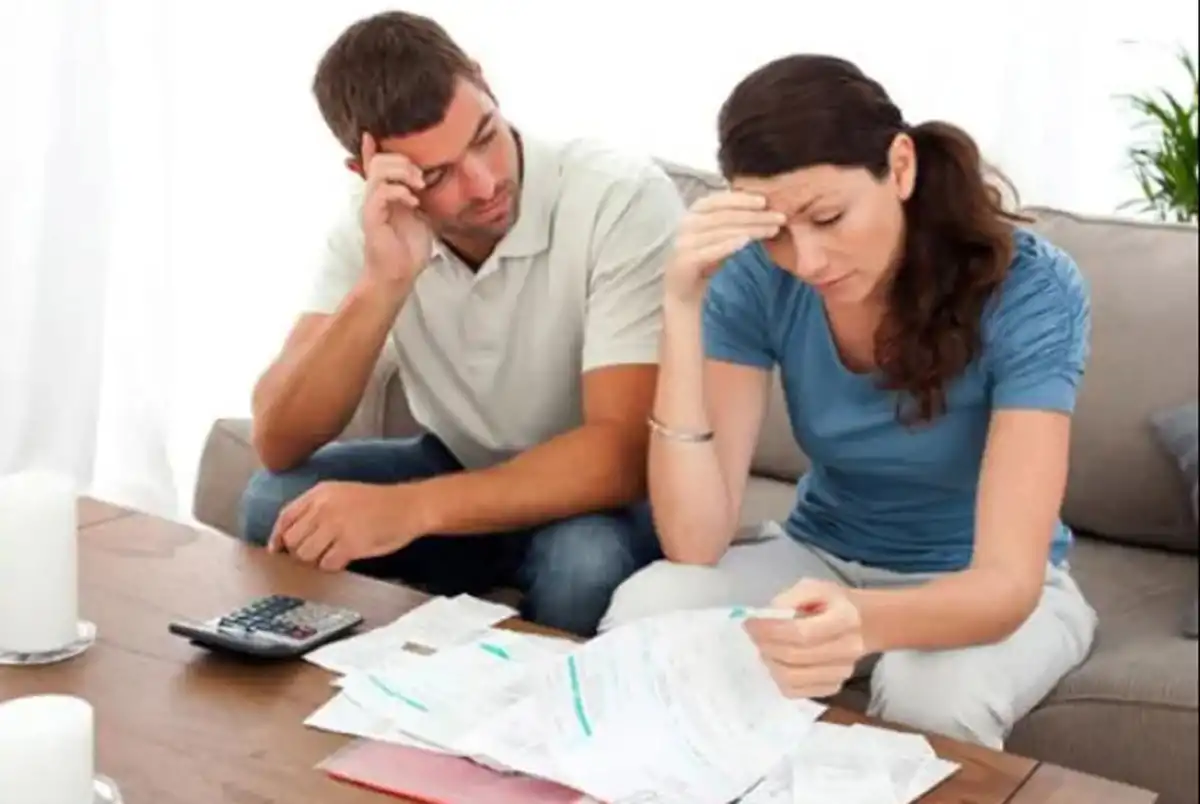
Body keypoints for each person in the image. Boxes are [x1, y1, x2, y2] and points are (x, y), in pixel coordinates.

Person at [601, 54, 1099, 749]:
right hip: (821, 555)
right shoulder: (754, 277)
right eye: (776, 231)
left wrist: (859, 618)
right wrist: (683, 306)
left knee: (931, 695)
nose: (806, 261)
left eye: (827, 216)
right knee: (647, 609)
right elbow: (694, 541)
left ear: (899, 167)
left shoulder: (1031, 290)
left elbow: (1007, 584)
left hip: (982, 586)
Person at [237, 11, 684, 636]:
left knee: (582, 566)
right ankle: (386, 687)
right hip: (458, 467)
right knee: (274, 502)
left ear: (483, 82)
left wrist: (410, 510)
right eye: (438, 175)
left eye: (484, 136)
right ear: (371, 174)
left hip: (598, 499)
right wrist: (383, 283)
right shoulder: (373, 228)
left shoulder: (619, 198)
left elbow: (620, 455)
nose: (485, 183)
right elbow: (278, 439)